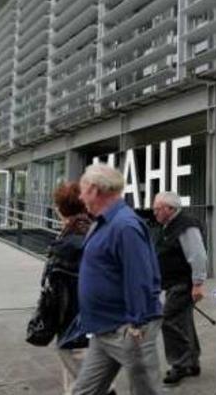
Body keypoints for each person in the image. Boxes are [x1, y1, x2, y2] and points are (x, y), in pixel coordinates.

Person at [69, 164, 163, 395]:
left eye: (82, 191)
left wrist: (137, 323)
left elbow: (140, 276)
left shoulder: (125, 225)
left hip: (127, 329)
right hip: (103, 328)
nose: (81, 198)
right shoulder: (103, 222)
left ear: (93, 190)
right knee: (83, 391)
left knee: (146, 391)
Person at [46, 182, 108, 395]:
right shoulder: (102, 232)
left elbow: (54, 294)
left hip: (76, 328)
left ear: (60, 210)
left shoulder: (66, 246)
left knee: (83, 385)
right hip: (103, 324)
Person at [152, 192, 208, 386]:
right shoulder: (168, 226)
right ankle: (191, 362)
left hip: (183, 283)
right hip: (174, 283)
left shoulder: (185, 225)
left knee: (169, 320)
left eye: (158, 208)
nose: (155, 212)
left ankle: (180, 364)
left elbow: (198, 255)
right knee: (183, 322)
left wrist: (198, 283)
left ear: (170, 208)